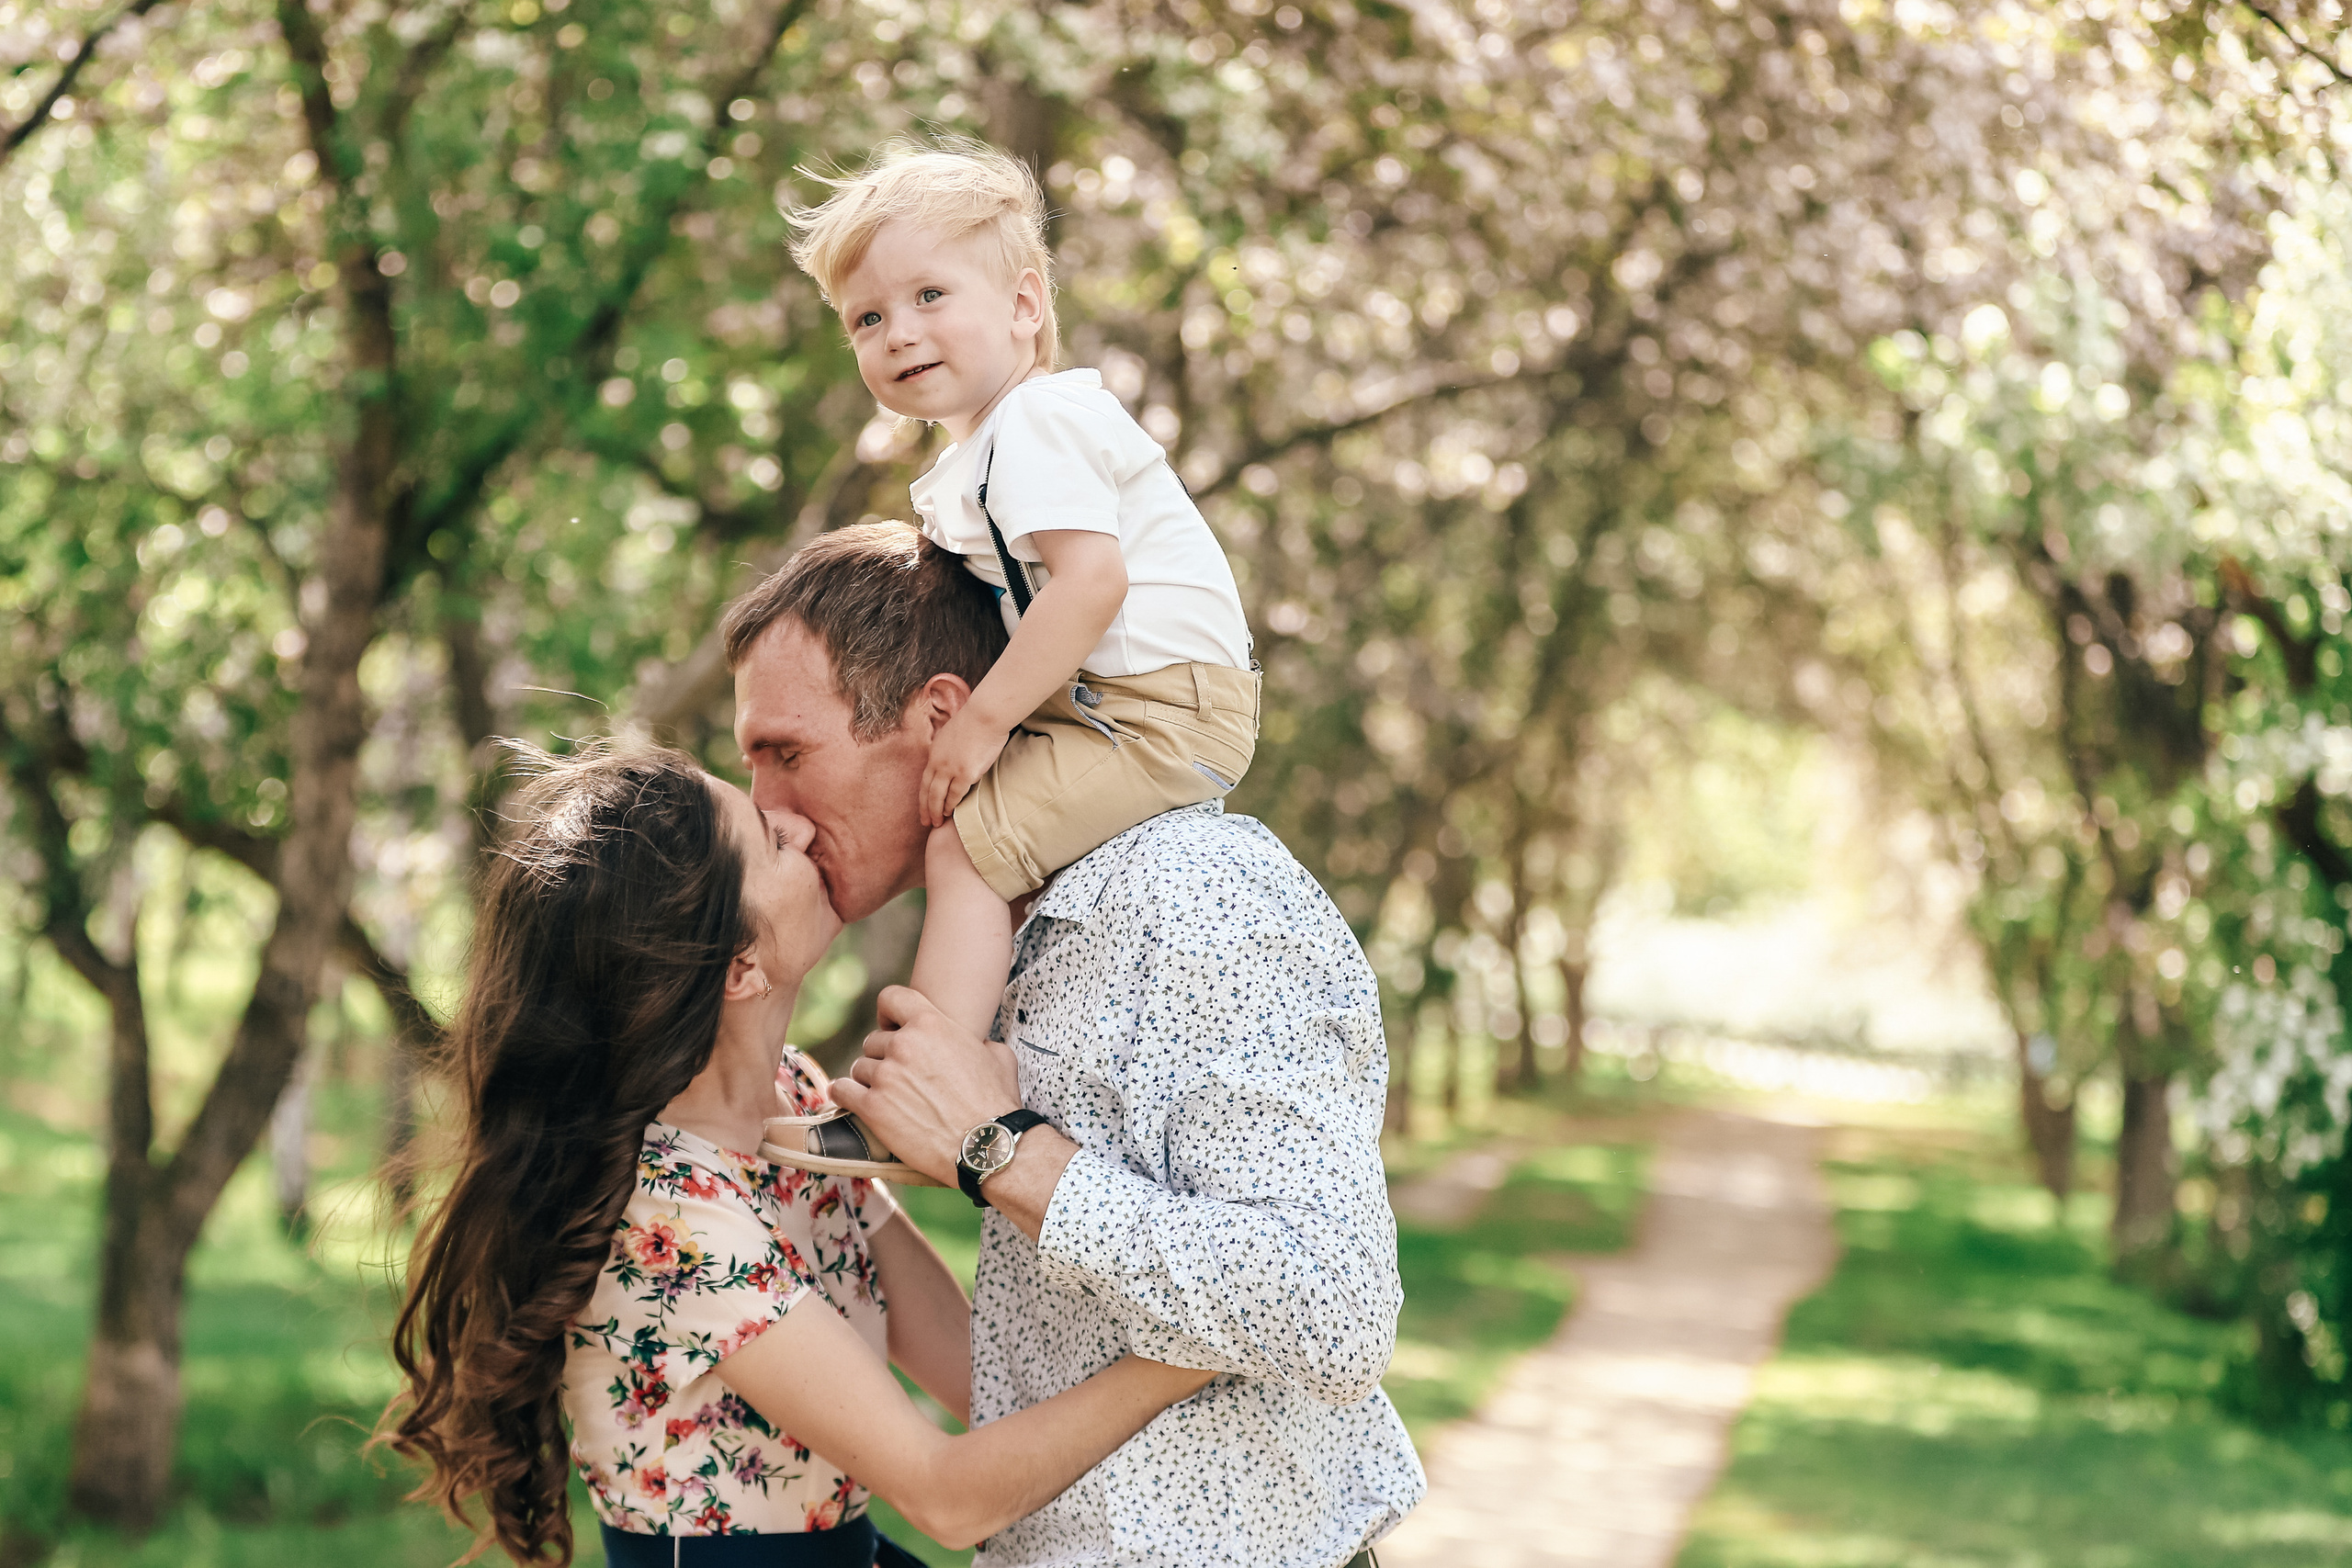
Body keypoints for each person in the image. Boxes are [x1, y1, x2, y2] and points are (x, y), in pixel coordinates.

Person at [723, 528, 1426, 1568]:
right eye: (748, 764)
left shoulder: (1193, 900)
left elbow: (1337, 1308)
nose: (765, 809)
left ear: (941, 719)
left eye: (787, 753)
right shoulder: (996, 944)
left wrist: (1000, 1149)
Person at [381, 739, 1217, 1567]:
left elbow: (984, 1376)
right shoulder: (665, 1216)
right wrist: (1204, 1335)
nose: (800, 824)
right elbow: (945, 1493)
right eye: (770, 839)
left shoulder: (799, 1099)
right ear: (740, 965)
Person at [775, 139, 1257, 1108]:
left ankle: (925, 1091)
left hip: (1162, 707)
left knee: (964, 846)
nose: (899, 333)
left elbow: (1090, 587)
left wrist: (987, 721)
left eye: (929, 298)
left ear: (1026, 307)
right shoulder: (982, 457)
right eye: (866, 317)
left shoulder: (1034, 424)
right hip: (1121, 699)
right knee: (983, 837)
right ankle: (998, 1051)